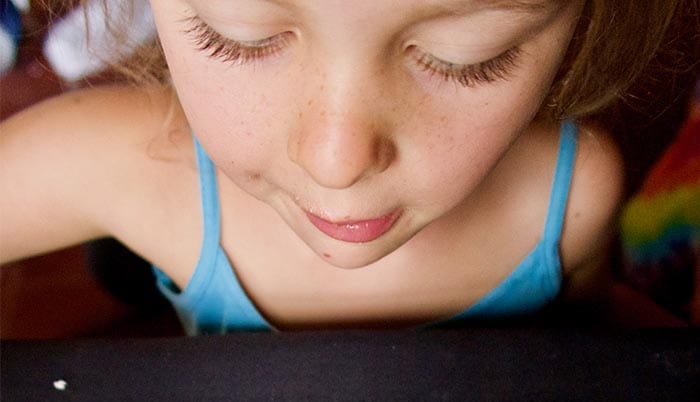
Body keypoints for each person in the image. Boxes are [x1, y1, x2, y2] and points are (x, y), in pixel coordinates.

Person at [0, 0, 695, 333]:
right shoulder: (125, 163)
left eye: (469, 58)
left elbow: (593, 353)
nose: (337, 164)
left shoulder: (570, 194)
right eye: (238, 39)